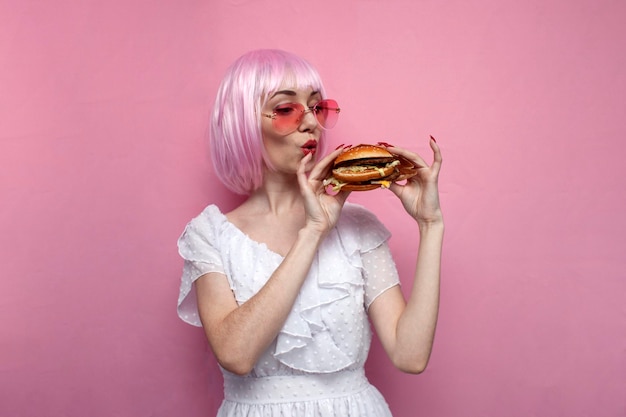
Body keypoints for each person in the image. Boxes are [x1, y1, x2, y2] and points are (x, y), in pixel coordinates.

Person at [176, 49, 444, 417]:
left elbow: (410, 355)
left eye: (317, 108)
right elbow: (236, 354)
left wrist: (431, 225)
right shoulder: (209, 234)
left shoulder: (358, 227)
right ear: (242, 122)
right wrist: (314, 231)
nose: (312, 124)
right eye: (286, 110)